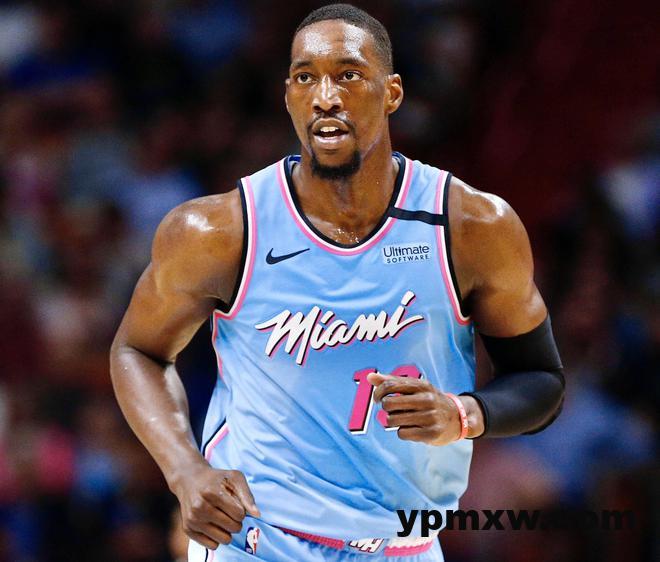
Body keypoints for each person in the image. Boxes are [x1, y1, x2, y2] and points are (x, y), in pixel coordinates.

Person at [110, 4, 565, 561]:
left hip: (405, 546)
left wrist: (462, 415)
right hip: (257, 543)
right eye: (305, 78)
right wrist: (185, 470)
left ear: (392, 93)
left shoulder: (472, 227)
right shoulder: (219, 231)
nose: (325, 96)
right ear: (288, 97)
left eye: (348, 75)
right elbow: (137, 350)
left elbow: (541, 379)